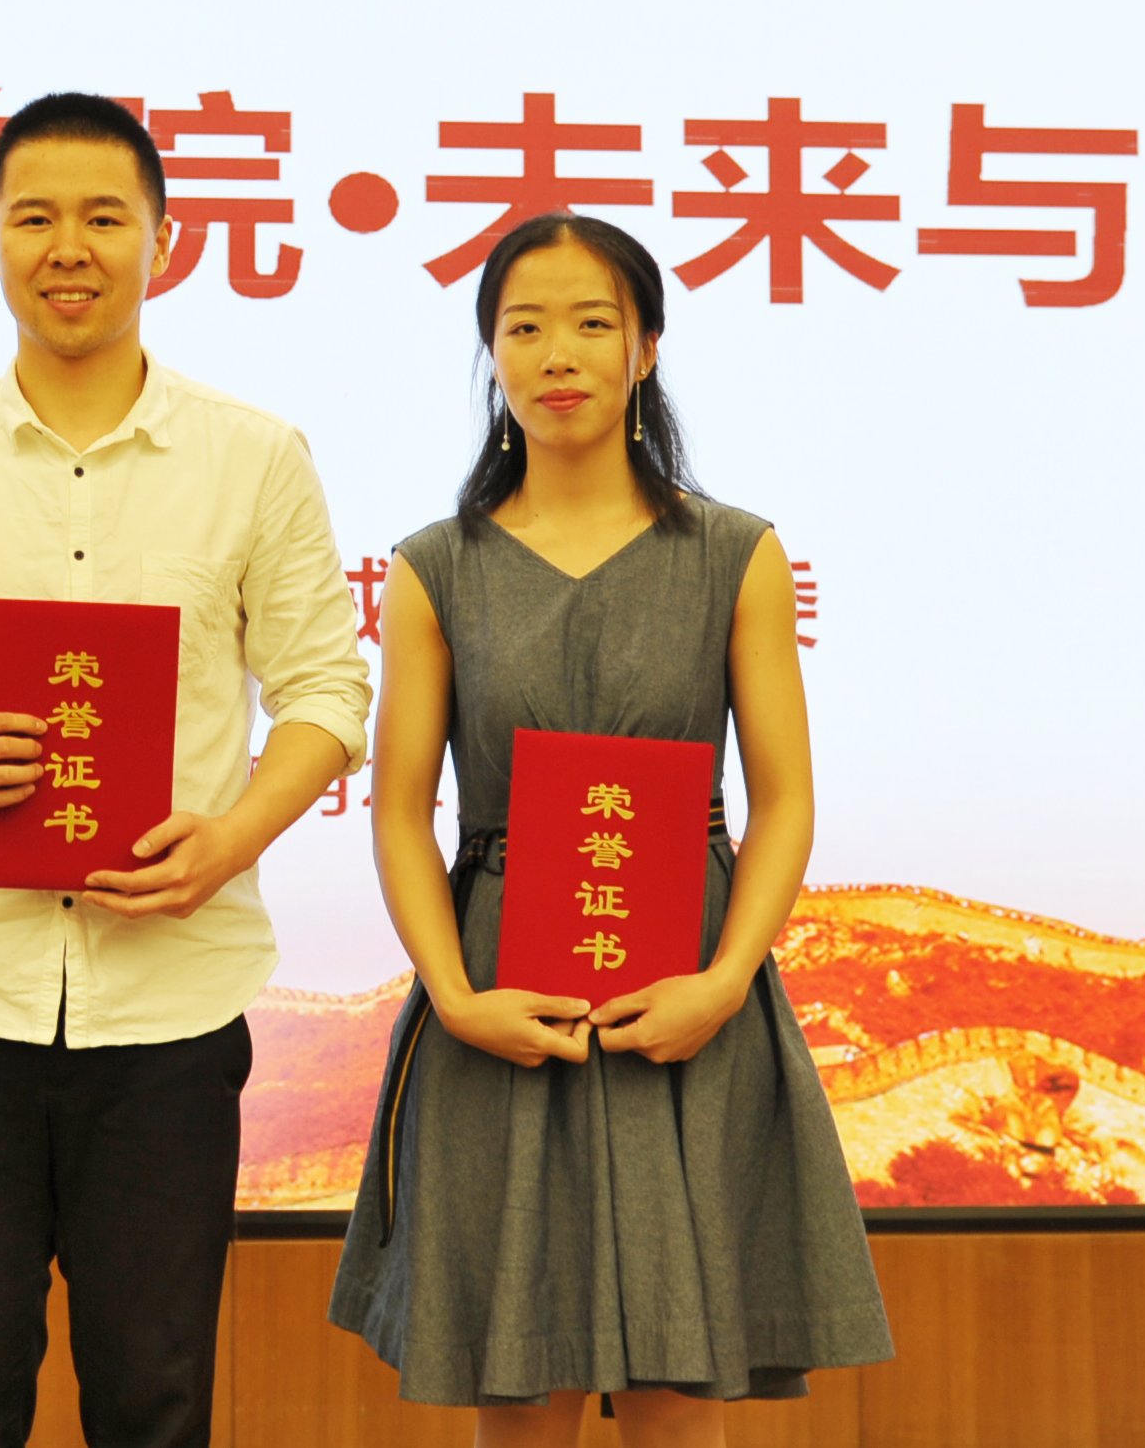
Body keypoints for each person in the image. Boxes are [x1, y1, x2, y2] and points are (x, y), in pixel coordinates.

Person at [0, 92, 373, 1448]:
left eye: (105, 217)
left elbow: (327, 694)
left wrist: (232, 837)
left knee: (154, 1405)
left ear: (163, 240)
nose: (69, 248)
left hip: (170, 1018)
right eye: (35, 218)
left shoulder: (254, 458)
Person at [327, 211, 893, 1444]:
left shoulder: (734, 553)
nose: (558, 354)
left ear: (645, 348)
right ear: (491, 353)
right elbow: (402, 808)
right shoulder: (437, 566)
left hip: (688, 999)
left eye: (593, 323)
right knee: (518, 1393)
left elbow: (784, 799)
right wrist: (455, 997)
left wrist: (724, 984)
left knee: (679, 1396)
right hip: (498, 1004)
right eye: (523, 327)